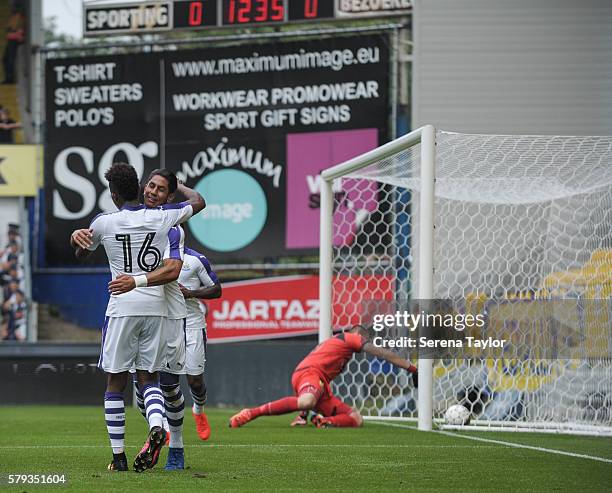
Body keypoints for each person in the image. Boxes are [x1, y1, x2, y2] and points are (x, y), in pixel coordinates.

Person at [70, 162, 205, 472]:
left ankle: (118, 458)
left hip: (122, 307)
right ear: (139, 187)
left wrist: (77, 237)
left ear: (113, 193)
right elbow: (198, 202)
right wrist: (179, 186)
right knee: (149, 378)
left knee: (115, 382)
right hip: (158, 308)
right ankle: (157, 425)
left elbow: (82, 252)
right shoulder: (165, 217)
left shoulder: (104, 222)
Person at [141, 170, 222, 442]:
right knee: (165, 382)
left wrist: (191, 294)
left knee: (195, 380)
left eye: (160, 188)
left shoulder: (195, 260)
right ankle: (166, 431)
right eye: (149, 186)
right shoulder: (143, 238)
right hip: (163, 319)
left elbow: (217, 290)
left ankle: (199, 409)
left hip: (192, 322)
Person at [229, 325, 418, 429]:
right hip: (310, 374)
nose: (364, 343)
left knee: (356, 418)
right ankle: (251, 413)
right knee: (306, 401)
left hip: (318, 382)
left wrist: (304, 415)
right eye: (364, 338)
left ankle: (324, 421)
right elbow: (382, 353)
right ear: (358, 334)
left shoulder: (337, 349)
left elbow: (320, 385)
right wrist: (412, 368)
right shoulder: (350, 337)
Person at [2, 5, 25, 85]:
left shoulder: (21, 18)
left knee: (10, 59)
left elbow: (21, 33)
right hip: (12, 39)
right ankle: (9, 78)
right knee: (6, 59)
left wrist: (15, 34)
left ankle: (10, 78)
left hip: (15, 40)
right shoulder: (15, 18)